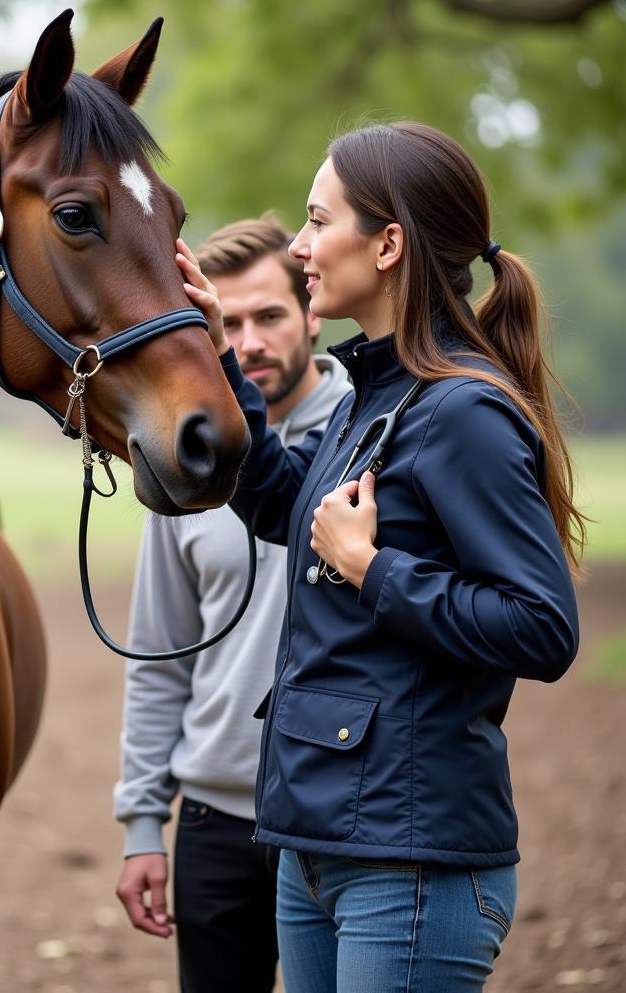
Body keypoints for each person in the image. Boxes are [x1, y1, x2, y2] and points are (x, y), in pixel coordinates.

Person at [176, 123, 583, 993]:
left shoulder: (463, 411)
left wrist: (375, 571)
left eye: (319, 222)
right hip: (317, 850)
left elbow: (543, 627)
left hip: (410, 864)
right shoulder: (375, 397)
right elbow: (293, 509)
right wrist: (216, 355)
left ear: (389, 243)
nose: (298, 246)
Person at [113, 214, 351, 993]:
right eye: (231, 322)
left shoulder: (370, 433)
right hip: (218, 819)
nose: (250, 340)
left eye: (270, 315)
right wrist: (142, 823)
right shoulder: (189, 461)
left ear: (310, 313)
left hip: (342, 809)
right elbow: (159, 658)